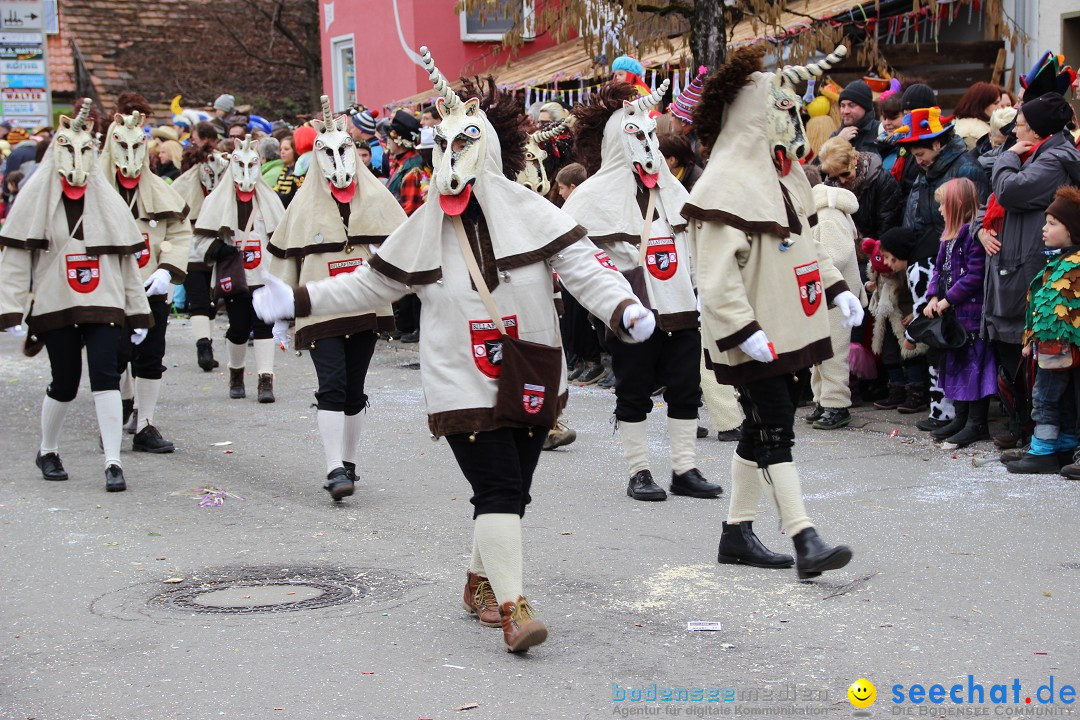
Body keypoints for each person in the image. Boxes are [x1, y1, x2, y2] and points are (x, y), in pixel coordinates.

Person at [253, 53, 653, 653]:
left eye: (463, 146)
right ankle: (516, 608)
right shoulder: (421, 226)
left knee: (512, 493)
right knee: (496, 490)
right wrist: (299, 299)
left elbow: (585, 268)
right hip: (459, 381)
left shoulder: (533, 211)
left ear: (487, 150)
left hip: (530, 373)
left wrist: (623, 308)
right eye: (441, 149)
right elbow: (370, 284)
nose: (450, 162)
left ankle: (478, 582)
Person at [687, 44, 861, 578]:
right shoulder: (721, 186)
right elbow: (714, 278)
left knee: (760, 426)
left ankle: (736, 533)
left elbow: (804, 246)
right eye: (780, 109)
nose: (791, 118)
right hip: (750, 334)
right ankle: (804, 536)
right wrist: (743, 330)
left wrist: (835, 288)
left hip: (784, 326)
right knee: (777, 424)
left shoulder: (783, 177)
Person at [563, 79, 724, 503]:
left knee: (685, 389)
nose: (646, 143)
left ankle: (685, 468)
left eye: (651, 134)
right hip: (631, 311)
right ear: (618, 139)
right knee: (632, 391)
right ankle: (638, 471)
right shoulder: (591, 195)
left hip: (680, 307)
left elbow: (692, 242)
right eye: (635, 135)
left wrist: (700, 293)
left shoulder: (674, 189)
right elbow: (574, 259)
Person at [0, 103, 152, 492]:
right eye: (69, 150)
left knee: (106, 376)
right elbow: (16, 260)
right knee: (64, 381)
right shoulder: (36, 202)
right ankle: (47, 449)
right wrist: (12, 310)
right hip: (55, 303)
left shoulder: (107, 202)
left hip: (104, 302)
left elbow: (126, 263)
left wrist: (137, 312)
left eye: (85, 152)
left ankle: (113, 461)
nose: (77, 160)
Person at [267, 97, 408, 501]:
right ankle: (332, 469)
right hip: (320, 309)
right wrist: (281, 315)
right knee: (330, 386)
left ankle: (347, 463)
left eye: (343, 149)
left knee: (353, 389)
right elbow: (286, 259)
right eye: (326, 152)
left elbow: (401, 245)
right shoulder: (302, 204)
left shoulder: (378, 197)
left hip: (365, 307)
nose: (337, 160)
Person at [976, 92, 1080, 447]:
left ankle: (1042, 436)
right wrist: (980, 227)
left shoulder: (1052, 160)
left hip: (1028, 267)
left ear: (1036, 132)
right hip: (1009, 266)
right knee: (1011, 350)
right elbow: (987, 202)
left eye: (1019, 125)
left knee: (1034, 356)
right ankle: (1026, 429)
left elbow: (1009, 192)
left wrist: (1005, 159)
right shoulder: (1034, 153)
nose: (1013, 132)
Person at [100, 110, 193, 453]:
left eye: (136, 147)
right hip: (108, 291)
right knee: (111, 357)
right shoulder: (96, 190)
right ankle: (112, 419)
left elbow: (180, 231)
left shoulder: (159, 191)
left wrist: (167, 268)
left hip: (153, 286)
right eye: (122, 147)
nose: (129, 157)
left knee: (151, 356)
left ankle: (145, 424)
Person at [193, 135, 286, 403]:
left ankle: (265, 380)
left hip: (263, 276)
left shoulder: (270, 201)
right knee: (239, 328)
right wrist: (219, 250)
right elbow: (200, 240)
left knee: (264, 325)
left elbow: (281, 236)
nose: (246, 174)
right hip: (235, 277)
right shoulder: (218, 201)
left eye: (252, 166)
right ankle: (236, 375)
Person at [1008, 187, 1080, 474]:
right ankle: (1056, 447)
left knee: (1050, 397)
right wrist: (1032, 340)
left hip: (1067, 347)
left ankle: (1046, 449)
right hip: (1052, 349)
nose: (1044, 228)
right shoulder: (1059, 262)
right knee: (1052, 397)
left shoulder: (1074, 266)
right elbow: (1042, 309)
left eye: (1053, 223)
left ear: (1073, 229)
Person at [921, 178, 996, 449]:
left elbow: (975, 276)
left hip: (972, 315)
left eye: (943, 205)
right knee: (956, 366)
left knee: (974, 367)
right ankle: (962, 418)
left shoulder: (971, 236)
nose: (939, 210)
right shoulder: (947, 239)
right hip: (953, 316)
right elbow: (938, 270)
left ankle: (977, 423)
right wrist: (932, 296)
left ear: (956, 205)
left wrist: (947, 300)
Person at [806, 183, 866, 430]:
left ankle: (836, 404)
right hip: (825, 295)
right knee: (819, 352)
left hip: (835, 296)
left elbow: (834, 257)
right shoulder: (823, 211)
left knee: (833, 352)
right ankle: (822, 400)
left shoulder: (827, 214)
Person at [172, 144, 231, 372]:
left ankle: (204, 345)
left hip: (205, 248)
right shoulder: (186, 182)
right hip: (196, 248)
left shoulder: (184, 182)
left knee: (205, 300)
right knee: (203, 299)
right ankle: (204, 346)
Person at [819, 136, 903, 240]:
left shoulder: (883, 181)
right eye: (834, 177)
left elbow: (888, 225)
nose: (842, 181)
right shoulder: (829, 188)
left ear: (854, 159)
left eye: (845, 174)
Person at [831, 79, 879, 154]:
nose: (846, 111)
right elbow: (819, 164)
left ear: (865, 107)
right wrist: (839, 143)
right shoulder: (836, 135)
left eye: (851, 105)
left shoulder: (880, 131)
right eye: (843, 106)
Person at [952, 82, 1001, 152]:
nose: (999, 107)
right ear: (981, 104)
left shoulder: (959, 125)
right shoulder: (973, 134)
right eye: (995, 103)